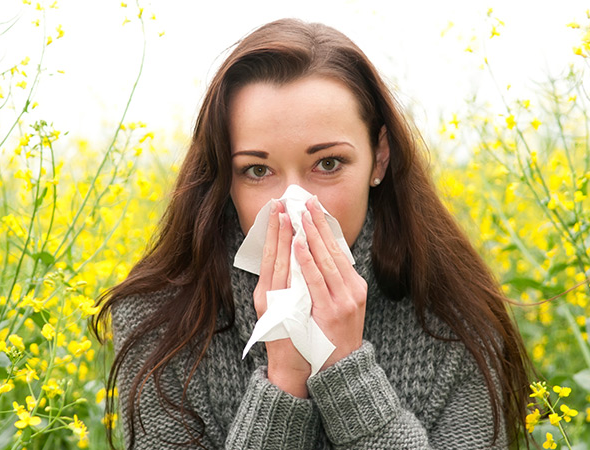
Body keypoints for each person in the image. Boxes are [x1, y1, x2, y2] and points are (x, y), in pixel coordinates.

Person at [92, 18, 532, 449]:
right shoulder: (160, 322)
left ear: (379, 158)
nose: (294, 204)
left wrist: (347, 373)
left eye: (328, 164)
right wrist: (283, 382)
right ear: (226, 175)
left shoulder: (456, 316)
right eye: (257, 170)